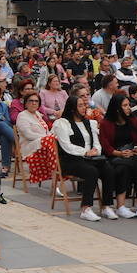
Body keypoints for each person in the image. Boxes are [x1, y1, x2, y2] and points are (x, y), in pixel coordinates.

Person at [52, 94, 122, 222]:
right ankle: (86, 208)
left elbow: (96, 142)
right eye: (80, 105)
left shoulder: (91, 123)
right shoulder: (62, 123)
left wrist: (95, 151)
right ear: (72, 108)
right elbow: (67, 146)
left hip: (90, 158)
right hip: (71, 160)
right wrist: (85, 152)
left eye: (85, 105)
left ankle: (106, 206)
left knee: (109, 169)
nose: (84, 108)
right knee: (91, 172)